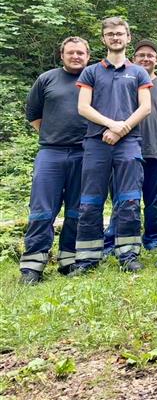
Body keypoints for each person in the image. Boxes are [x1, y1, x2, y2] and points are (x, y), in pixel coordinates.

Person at [72, 17, 152, 274]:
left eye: (120, 34)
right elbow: (83, 107)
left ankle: (128, 254)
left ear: (128, 38)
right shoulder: (91, 71)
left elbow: (145, 107)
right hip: (96, 143)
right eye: (110, 34)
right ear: (103, 39)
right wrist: (111, 125)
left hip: (129, 143)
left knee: (129, 199)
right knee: (90, 201)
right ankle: (87, 258)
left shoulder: (138, 72)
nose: (115, 37)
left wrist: (122, 129)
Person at [19, 37, 90, 284]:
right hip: (51, 153)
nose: (76, 56)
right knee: (42, 210)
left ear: (88, 56)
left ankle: (68, 261)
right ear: (62, 55)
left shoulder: (93, 80)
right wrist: (53, 134)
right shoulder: (47, 79)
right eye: (71, 52)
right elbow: (33, 115)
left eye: (80, 53)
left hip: (84, 153)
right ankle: (32, 266)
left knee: (76, 210)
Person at [103, 39, 157, 255]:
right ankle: (114, 239)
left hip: (156, 151)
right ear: (134, 58)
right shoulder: (124, 82)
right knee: (122, 199)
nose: (146, 59)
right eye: (141, 55)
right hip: (124, 152)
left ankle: (154, 239)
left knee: (155, 201)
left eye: (150, 55)